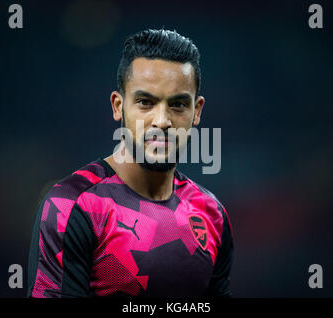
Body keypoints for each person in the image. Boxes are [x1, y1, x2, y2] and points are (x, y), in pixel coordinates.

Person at [27, 29, 233, 297]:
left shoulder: (211, 214)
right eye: (145, 102)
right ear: (118, 106)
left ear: (197, 111)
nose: (162, 121)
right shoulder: (72, 207)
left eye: (178, 104)